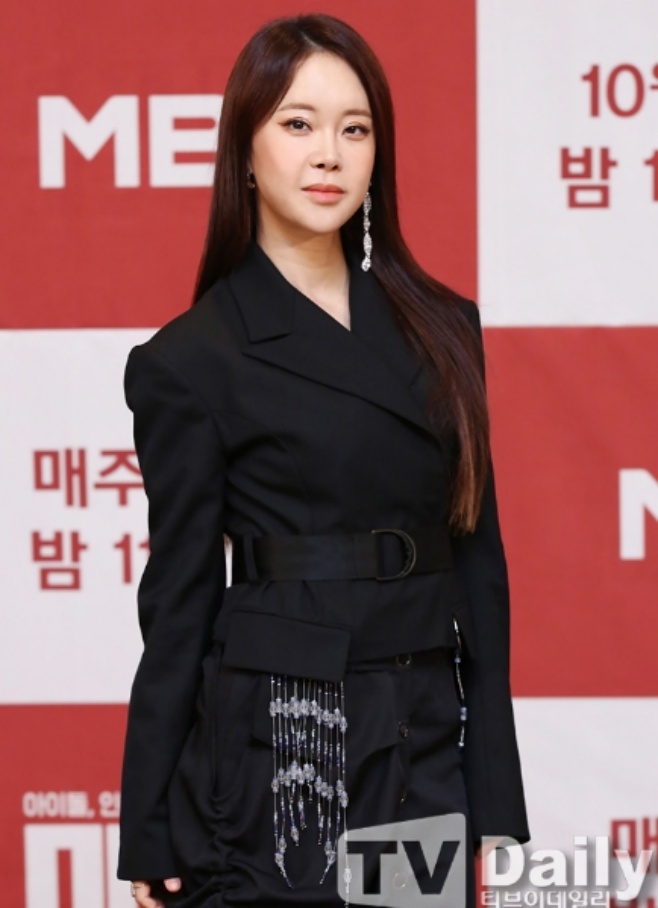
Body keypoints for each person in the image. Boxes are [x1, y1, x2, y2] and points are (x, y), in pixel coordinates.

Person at [117, 12, 530, 908]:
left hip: (419, 742)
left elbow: (479, 566)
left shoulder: (443, 327)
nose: (329, 155)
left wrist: (495, 794)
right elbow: (178, 601)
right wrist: (148, 821)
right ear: (246, 148)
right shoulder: (191, 360)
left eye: (355, 129)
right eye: (298, 124)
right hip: (277, 749)